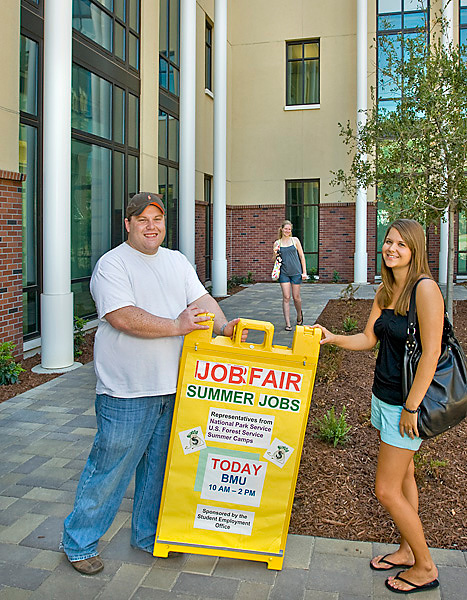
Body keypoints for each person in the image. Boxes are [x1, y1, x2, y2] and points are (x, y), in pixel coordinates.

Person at [62, 192, 242, 575]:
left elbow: (202, 300)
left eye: (157, 218)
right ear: (127, 224)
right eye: (141, 218)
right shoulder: (112, 265)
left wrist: (226, 328)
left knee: (160, 470)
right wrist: (177, 326)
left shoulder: (176, 261)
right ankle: (79, 543)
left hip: (176, 386)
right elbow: (123, 316)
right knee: (110, 469)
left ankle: (148, 536)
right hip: (127, 391)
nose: (151, 225)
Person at [314, 219, 443, 595]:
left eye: (401, 245)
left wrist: (412, 406)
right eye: (388, 242)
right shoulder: (387, 291)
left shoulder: (425, 289)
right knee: (405, 478)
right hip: (384, 396)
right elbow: (370, 339)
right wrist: (333, 337)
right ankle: (407, 550)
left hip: (407, 403)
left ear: (415, 250)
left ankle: (425, 565)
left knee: (385, 489)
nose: (392, 249)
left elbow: (432, 352)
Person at [273, 220, 308, 331]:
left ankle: (299, 315)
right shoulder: (277, 243)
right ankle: (288, 323)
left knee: (296, 298)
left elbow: (302, 256)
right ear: (282, 229)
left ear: (290, 230)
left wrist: (304, 272)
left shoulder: (295, 240)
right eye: (285, 228)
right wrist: (275, 253)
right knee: (286, 297)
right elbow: (275, 259)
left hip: (296, 272)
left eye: (289, 229)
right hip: (284, 273)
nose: (287, 231)